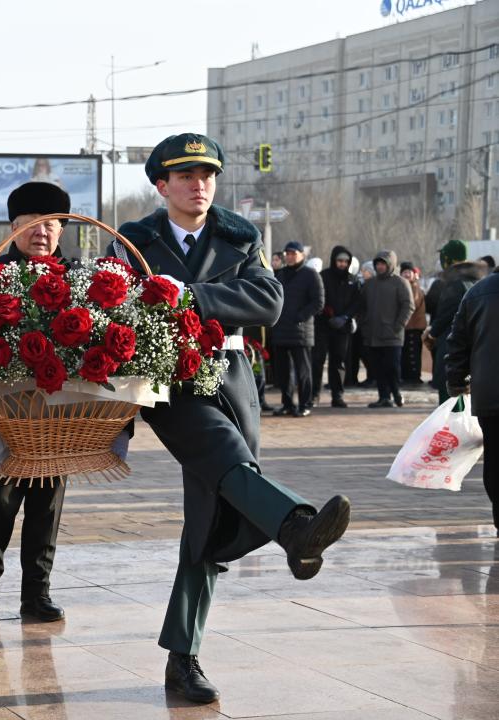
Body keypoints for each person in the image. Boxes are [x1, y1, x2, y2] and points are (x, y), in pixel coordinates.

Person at [107, 133, 351, 705]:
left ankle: (183, 657)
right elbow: (113, 305)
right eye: (186, 176)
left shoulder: (240, 235)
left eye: (208, 175)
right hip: (167, 379)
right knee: (224, 453)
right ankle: (293, 525)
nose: (200, 185)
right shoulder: (134, 240)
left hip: (233, 374)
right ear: (161, 184)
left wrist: (189, 296)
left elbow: (268, 301)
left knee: (212, 512)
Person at [0, 181, 71, 623]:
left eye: (51, 225)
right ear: (13, 228)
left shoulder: (81, 280)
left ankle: (36, 593)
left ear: (62, 230)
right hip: (0, 418)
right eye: (32, 224)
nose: (42, 233)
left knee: (47, 506)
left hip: (57, 420)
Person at [445, 268, 499, 530]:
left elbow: (457, 343)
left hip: (490, 393)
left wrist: (456, 380)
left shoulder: (477, 292)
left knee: (495, 460)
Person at [428, 240, 488, 404]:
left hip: (452, 345)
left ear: (448, 259)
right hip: (475, 346)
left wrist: (431, 333)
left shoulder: (454, 284)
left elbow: (445, 316)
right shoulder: (477, 281)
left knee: (451, 398)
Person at [271, 241, 323, 416]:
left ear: (302, 255)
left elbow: (318, 302)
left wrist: (300, 317)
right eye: (288, 254)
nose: (290, 257)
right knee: (283, 372)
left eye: (294, 253)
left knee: (303, 371)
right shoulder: (280, 275)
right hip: (280, 330)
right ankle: (287, 404)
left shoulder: (311, 275)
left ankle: (305, 404)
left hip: (301, 332)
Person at [360, 250, 414, 408]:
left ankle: (396, 393)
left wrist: (398, 325)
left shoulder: (400, 282)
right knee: (378, 368)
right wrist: (364, 324)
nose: (380, 266)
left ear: (390, 264)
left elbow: (408, 306)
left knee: (392, 367)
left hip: (393, 335)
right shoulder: (370, 284)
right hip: (373, 334)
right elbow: (361, 306)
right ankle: (384, 397)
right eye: (378, 263)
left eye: (383, 263)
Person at [312, 246, 361, 408]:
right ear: (334, 260)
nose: (342, 264)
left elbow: (357, 302)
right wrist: (327, 314)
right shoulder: (323, 276)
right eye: (340, 261)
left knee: (338, 362)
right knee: (317, 360)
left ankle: (337, 395)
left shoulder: (353, 280)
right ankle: (314, 394)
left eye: (346, 261)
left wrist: (345, 317)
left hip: (342, 327)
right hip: (322, 326)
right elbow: (318, 297)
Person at [400, 262, 426, 386]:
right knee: (406, 353)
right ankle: (406, 375)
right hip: (406, 326)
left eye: (408, 272)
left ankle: (414, 376)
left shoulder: (414, 286)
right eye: (404, 272)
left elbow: (413, 304)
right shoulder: (403, 286)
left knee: (413, 353)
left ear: (413, 274)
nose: (406, 275)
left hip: (414, 326)